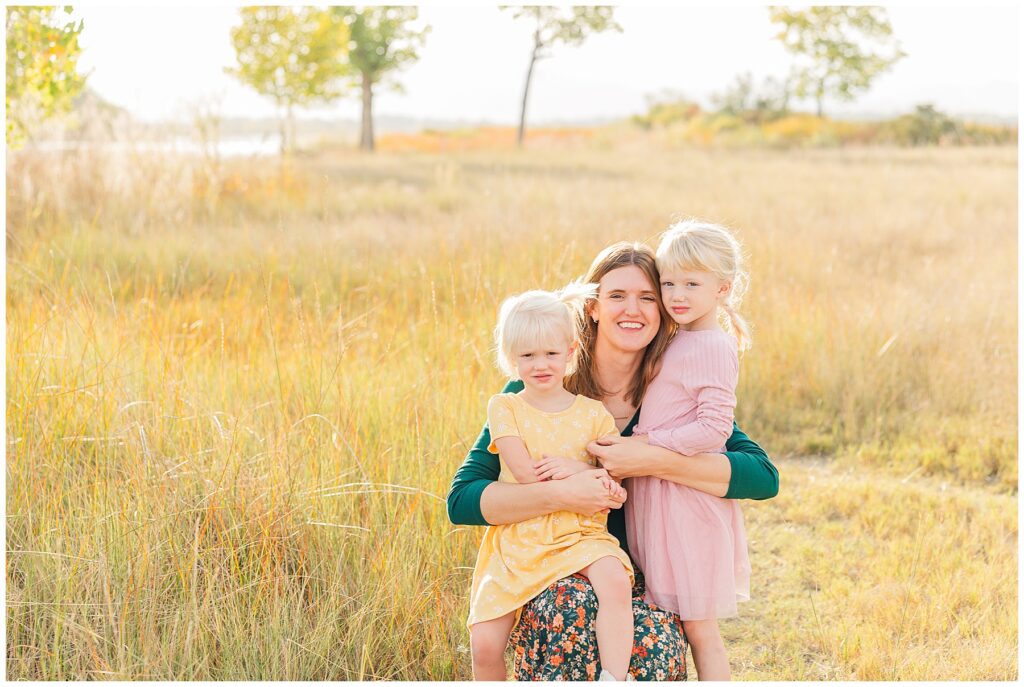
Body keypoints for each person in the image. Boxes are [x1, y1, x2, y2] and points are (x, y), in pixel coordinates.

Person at [447, 242, 779, 681]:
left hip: (644, 576)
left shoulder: (669, 397)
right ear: (593, 308)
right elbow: (464, 500)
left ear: (663, 311)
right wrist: (562, 492)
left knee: (653, 645)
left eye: (647, 298)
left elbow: (761, 476)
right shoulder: (537, 392)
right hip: (552, 565)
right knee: (567, 610)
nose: (633, 309)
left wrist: (645, 458)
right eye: (616, 296)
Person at [467, 283, 635, 682]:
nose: (540, 364)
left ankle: (614, 677)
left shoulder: (594, 415)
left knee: (613, 580)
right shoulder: (505, 406)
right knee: (484, 641)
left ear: (571, 352)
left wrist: (583, 473)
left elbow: (616, 489)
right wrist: (584, 477)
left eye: (550, 354)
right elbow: (526, 473)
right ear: (511, 359)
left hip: (579, 533)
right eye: (527, 355)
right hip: (520, 535)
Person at [619, 221, 753, 680]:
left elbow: (715, 428)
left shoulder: (713, 346)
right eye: (669, 282)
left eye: (691, 284)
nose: (677, 294)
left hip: (684, 503)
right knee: (669, 615)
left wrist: (648, 445)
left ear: (722, 288)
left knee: (698, 624)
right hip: (657, 494)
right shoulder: (677, 338)